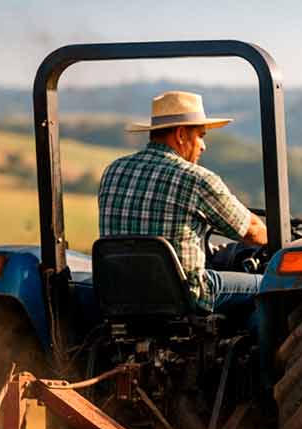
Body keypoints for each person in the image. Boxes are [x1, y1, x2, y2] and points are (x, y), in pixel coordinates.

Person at [98, 91, 267, 314]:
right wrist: (283, 240)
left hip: (119, 295)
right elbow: (251, 231)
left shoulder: (114, 170)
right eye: (201, 136)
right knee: (270, 286)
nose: (203, 146)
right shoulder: (196, 179)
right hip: (186, 295)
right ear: (180, 134)